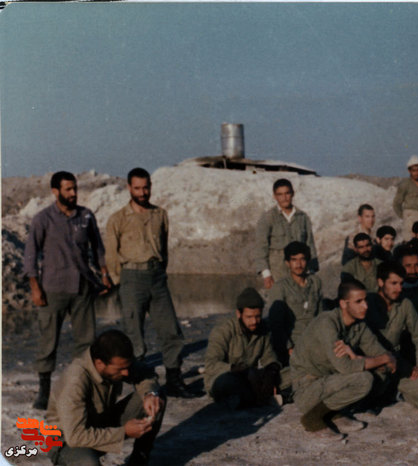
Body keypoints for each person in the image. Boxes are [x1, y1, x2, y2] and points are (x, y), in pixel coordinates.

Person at [105, 167, 198, 398]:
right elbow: (111, 255)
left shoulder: (160, 215)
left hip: (156, 277)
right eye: (137, 188)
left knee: (171, 330)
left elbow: (164, 248)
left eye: (145, 188)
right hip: (131, 278)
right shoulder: (118, 219)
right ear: (129, 188)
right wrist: (120, 282)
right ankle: (140, 385)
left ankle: (174, 379)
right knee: (134, 334)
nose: (142, 193)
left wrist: (160, 273)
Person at [24, 171, 111, 410]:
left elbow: (98, 248)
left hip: (82, 287)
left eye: (75, 189)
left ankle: (79, 386)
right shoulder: (42, 219)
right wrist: (35, 288)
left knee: (86, 341)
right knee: (48, 340)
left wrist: (104, 274)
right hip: (53, 288)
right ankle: (44, 391)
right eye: (68, 189)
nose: (73, 193)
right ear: (55, 192)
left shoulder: (86, 216)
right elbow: (30, 254)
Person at [291, 280, 397, 438]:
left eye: (365, 300)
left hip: (330, 382)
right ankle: (313, 418)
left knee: (377, 374)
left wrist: (357, 357)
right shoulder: (327, 323)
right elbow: (346, 367)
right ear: (343, 304)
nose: (365, 306)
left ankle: (334, 413)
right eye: (358, 302)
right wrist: (383, 358)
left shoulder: (359, 325)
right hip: (307, 388)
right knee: (364, 379)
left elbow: (387, 362)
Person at [46, 329, 165, 466]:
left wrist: (150, 394)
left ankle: (139, 461)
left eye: (127, 367)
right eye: (120, 369)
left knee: (157, 398)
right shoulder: (75, 381)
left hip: (99, 424)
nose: (126, 373)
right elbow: (75, 436)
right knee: (88, 463)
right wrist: (124, 432)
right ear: (99, 363)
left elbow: (146, 374)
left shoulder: (116, 362)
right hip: (66, 440)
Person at [364, 262, 418, 410]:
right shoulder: (366, 303)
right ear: (380, 282)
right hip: (373, 365)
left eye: (401, 283)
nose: (399, 289)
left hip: (398, 365)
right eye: (393, 283)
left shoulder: (405, 304)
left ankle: (396, 392)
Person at [205, 288, 282, 409]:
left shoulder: (262, 329)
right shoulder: (223, 331)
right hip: (226, 377)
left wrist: (271, 372)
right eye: (249, 317)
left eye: (258, 316)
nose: (254, 321)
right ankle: (252, 397)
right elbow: (211, 365)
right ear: (238, 314)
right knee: (230, 383)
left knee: (285, 375)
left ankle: (255, 396)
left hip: (251, 377)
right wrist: (236, 369)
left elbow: (269, 356)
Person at [255, 178, 318, 289]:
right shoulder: (267, 218)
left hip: (300, 275)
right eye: (280, 194)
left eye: (287, 193)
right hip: (277, 276)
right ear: (274, 196)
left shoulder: (302, 217)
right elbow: (261, 248)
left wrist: (311, 271)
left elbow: (310, 245)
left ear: (293, 194)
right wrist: (266, 274)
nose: (284, 198)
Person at [268, 241, 322, 367]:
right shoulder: (280, 288)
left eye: (302, 259)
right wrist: (289, 348)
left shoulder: (315, 283)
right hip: (293, 346)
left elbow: (321, 316)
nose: (298, 264)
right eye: (294, 260)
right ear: (287, 263)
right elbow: (277, 325)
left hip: (315, 342)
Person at [393, 156, 418, 242]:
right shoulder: (405, 184)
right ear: (409, 171)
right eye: (414, 170)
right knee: (409, 239)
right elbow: (396, 203)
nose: (416, 173)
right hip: (410, 215)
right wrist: (404, 216)